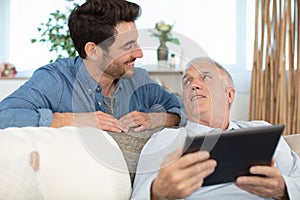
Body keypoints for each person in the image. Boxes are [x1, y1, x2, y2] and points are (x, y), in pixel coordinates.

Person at [0, 0, 185, 132]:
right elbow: (4, 116)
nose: (139, 53)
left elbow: (187, 109)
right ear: (93, 51)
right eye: (127, 46)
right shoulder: (56, 80)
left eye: (135, 42)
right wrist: (73, 120)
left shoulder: (139, 79)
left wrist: (157, 119)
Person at [131, 57, 300, 199]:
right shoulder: (164, 140)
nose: (193, 85)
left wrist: (282, 189)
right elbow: (139, 196)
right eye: (187, 81)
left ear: (229, 94)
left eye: (205, 77)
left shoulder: (263, 131)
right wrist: (158, 192)